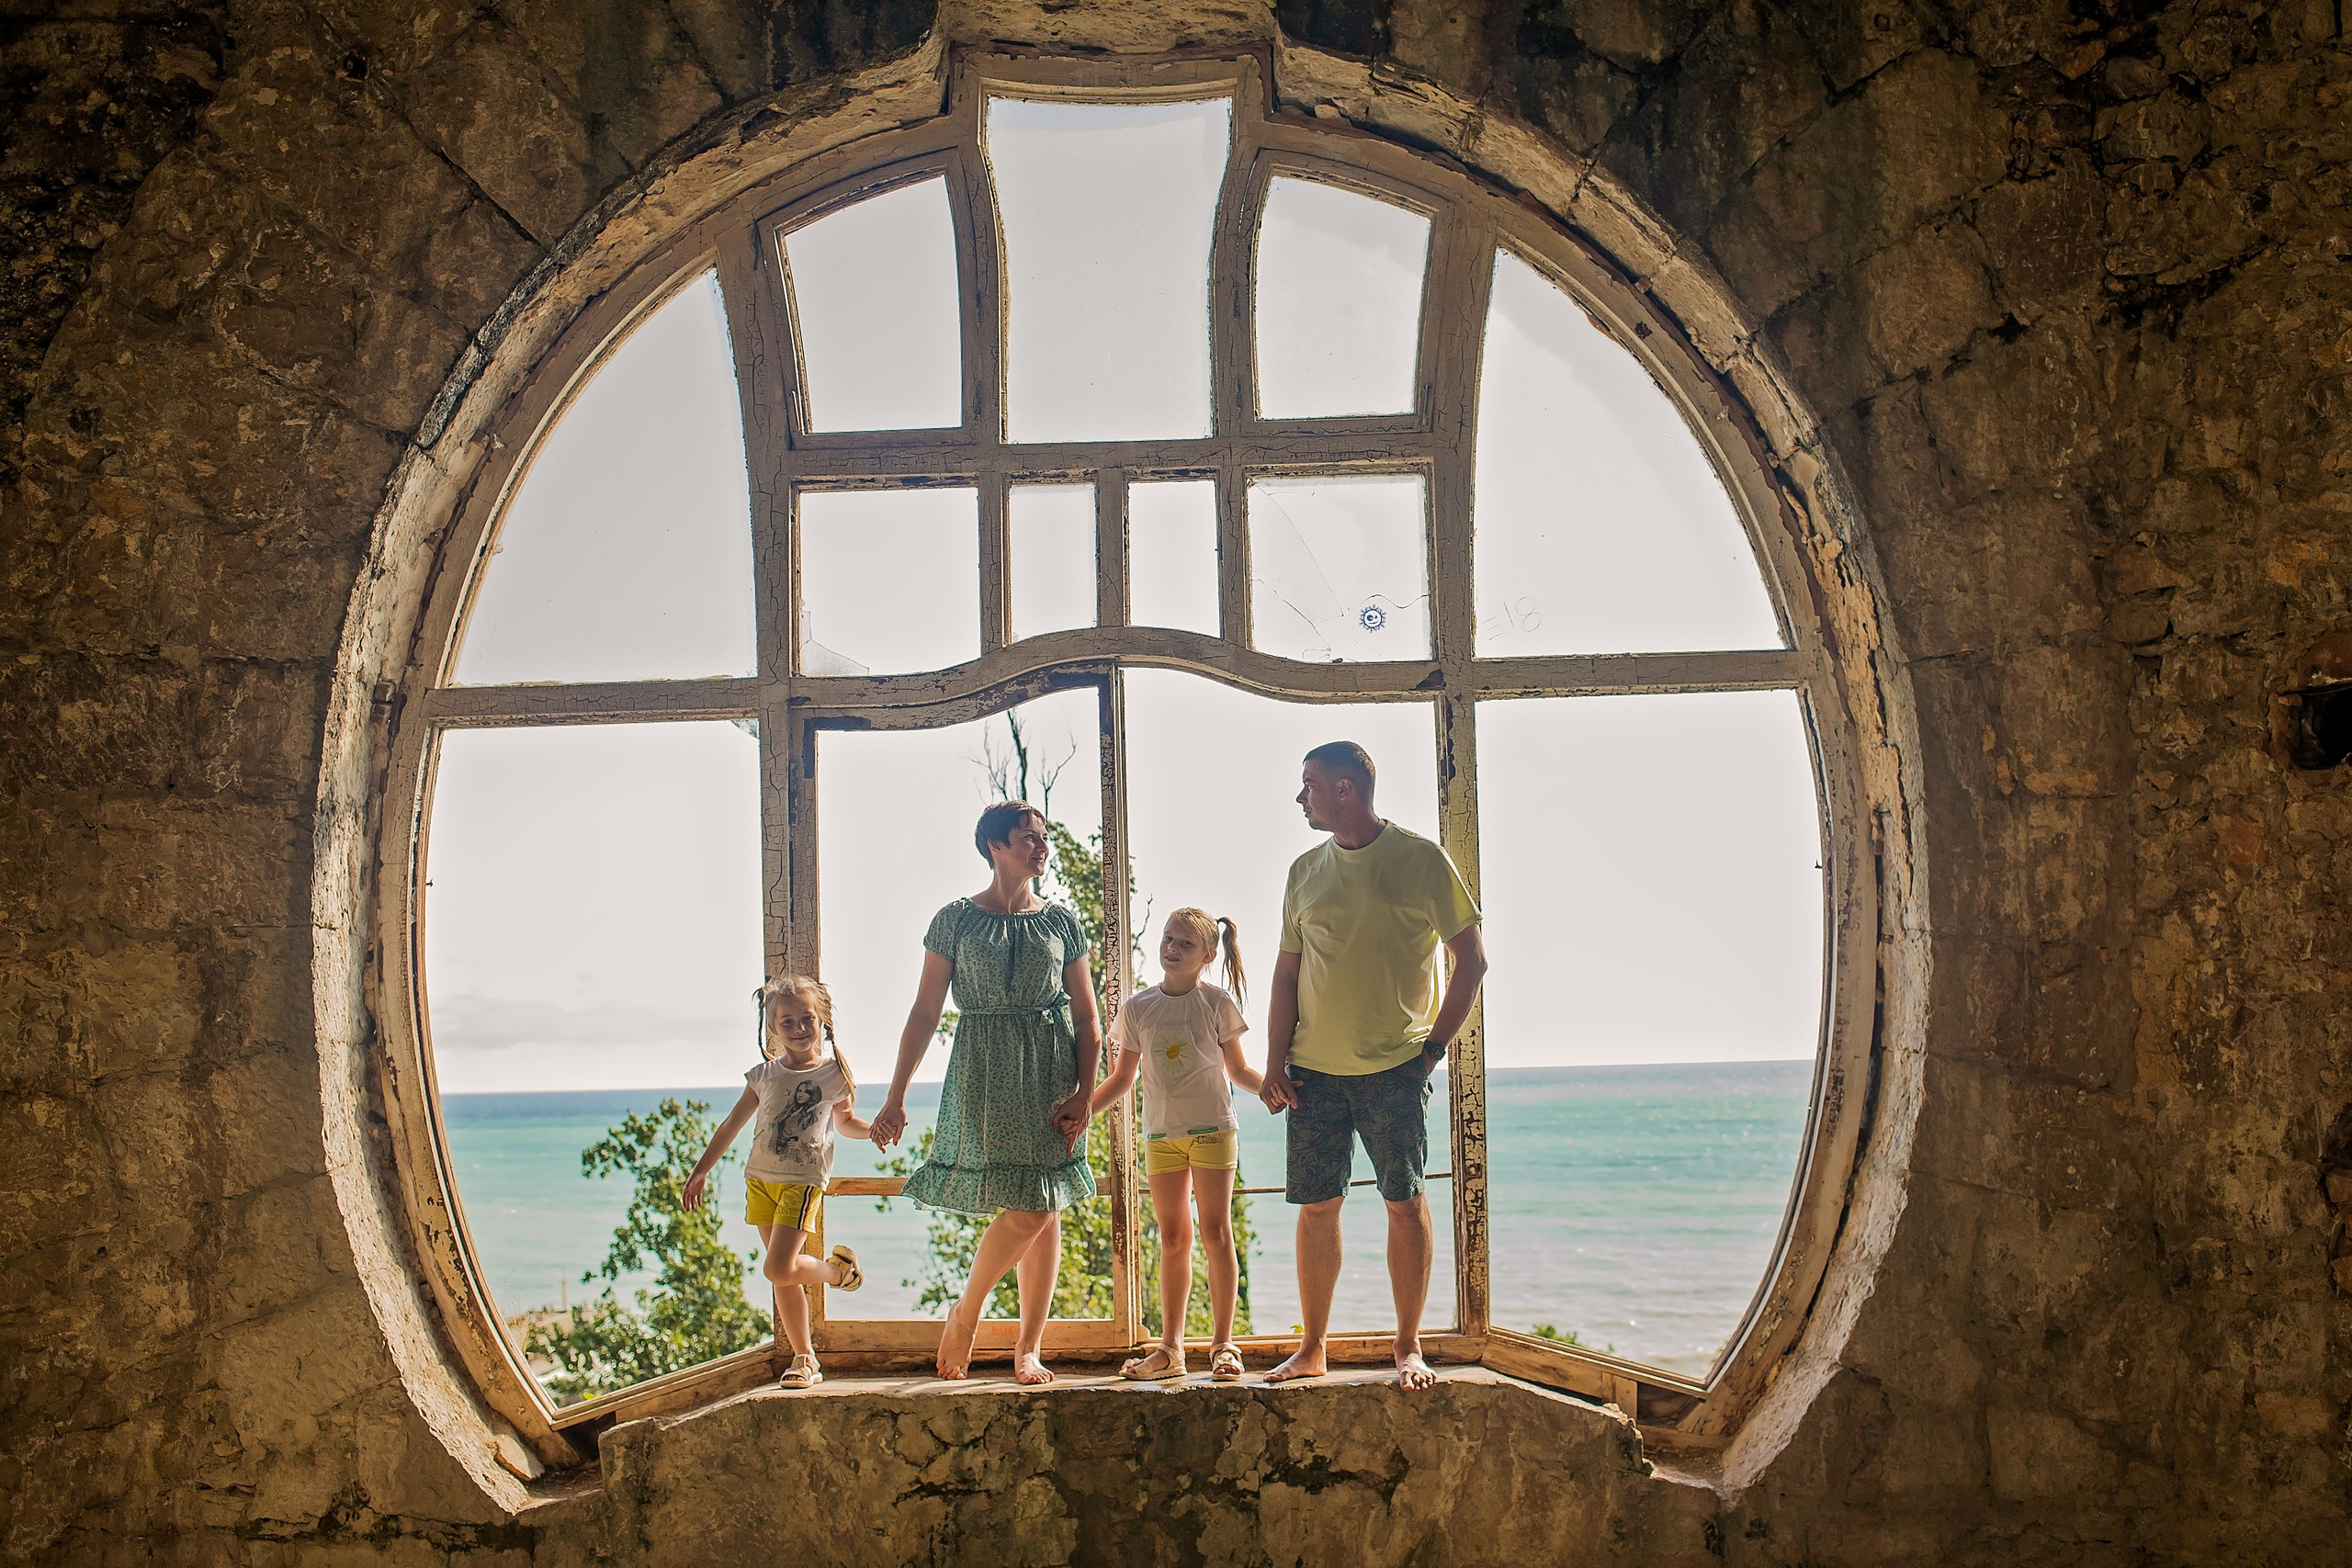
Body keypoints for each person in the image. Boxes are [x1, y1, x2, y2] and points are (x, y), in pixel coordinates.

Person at [1259, 741, 1487, 1393]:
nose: (1301, 796)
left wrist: (1433, 1049)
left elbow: (1471, 960)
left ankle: (1409, 1347)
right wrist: (1274, 1063)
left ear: (1345, 790)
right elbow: (1284, 976)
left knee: (1404, 1203)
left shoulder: (1421, 861)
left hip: (1395, 1068)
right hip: (1313, 1074)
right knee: (1316, 1209)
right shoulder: (1303, 871)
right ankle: (1312, 1348)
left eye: (1309, 784)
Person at [870, 800, 1101, 1384]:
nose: (1041, 847)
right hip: (982, 1069)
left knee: (1040, 1207)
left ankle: (1021, 1344)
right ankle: (972, 1316)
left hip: (1050, 1073)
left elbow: (1087, 1017)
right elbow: (925, 1011)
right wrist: (895, 1096)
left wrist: (1086, 1093)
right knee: (1030, 1209)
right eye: (1028, 837)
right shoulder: (955, 920)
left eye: (1043, 837)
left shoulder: (1060, 922)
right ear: (995, 847)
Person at [1091, 908, 1262, 1382]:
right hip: (1161, 1138)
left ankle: (1224, 1346)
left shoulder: (1216, 1003)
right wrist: (1082, 1110)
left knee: (1215, 1232)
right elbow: (1122, 1079)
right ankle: (1171, 1349)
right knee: (1172, 1240)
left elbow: (1239, 1072)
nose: (1172, 948)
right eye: (1168, 939)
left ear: (1208, 955)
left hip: (1212, 1131)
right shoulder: (1138, 1008)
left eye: (1185, 944)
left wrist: (1273, 1089)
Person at [683, 976, 870, 1390]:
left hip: (802, 1183)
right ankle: (805, 1359)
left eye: (808, 1019)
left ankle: (839, 1273)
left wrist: (873, 1131)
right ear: (773, 1028)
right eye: (788, 1022)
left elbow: (845, 1122)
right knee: (781, 1276)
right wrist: (701, 1170)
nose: (799, 1028)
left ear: (822, 1021)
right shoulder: (764, 1075)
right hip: (760, 1180)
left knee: (778, 1267)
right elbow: (733, 1124)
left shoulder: (833, 1073)